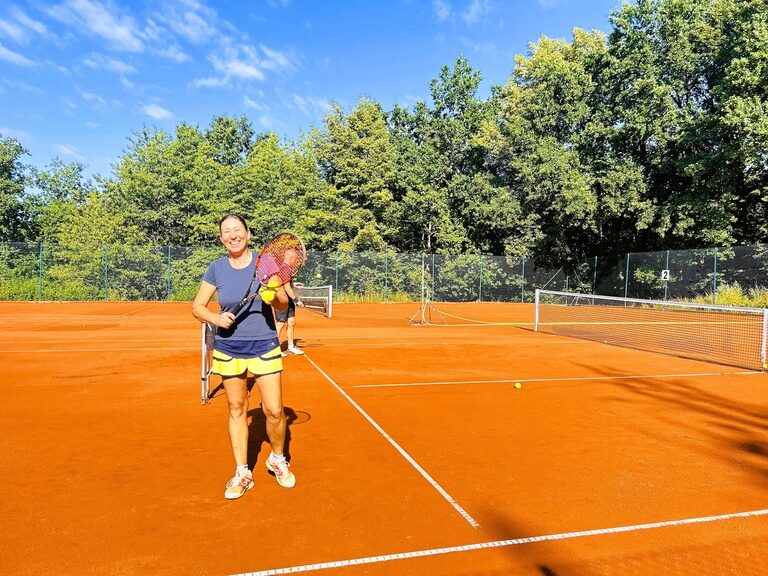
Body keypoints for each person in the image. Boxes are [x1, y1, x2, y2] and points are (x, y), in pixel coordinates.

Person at [192, 214, 296, 500]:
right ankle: (242, 472)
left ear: (248, 234)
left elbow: (283, 304)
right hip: (229, 348)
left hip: (264, 344)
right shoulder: (216, 268)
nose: (232, 235)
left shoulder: (267, 265)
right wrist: (215, 317)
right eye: (227, 231)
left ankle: (277, 459)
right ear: (221, 238)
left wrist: (273, 295)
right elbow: (197, 307)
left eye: (237, 230)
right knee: (237, 409)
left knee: (274, 410)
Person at [275, 279, 305, 357]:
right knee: (280, 324)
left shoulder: (290, 271)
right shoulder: (285, 268)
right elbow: (286, 287)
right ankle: (275, 349)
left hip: (289, 300)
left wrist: (293, 284)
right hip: (282, 299)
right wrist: (296, 301)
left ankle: (291, 347)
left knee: (291, 322)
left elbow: (285, 283)